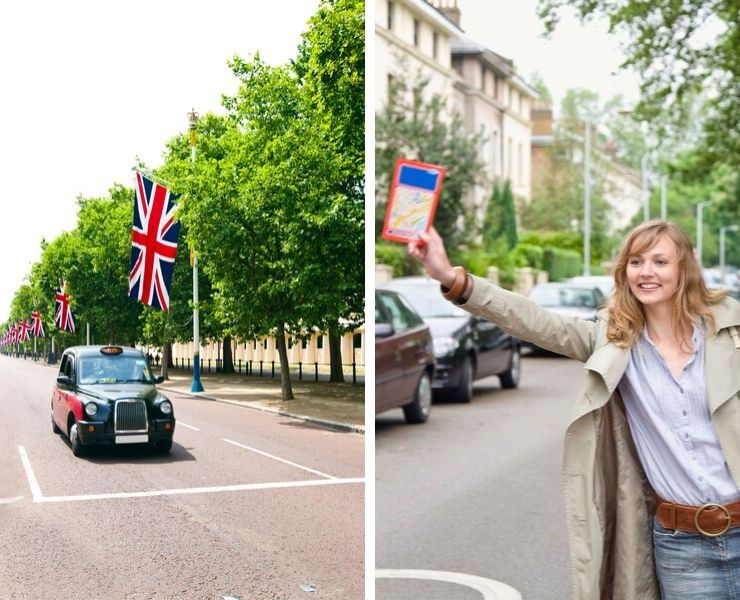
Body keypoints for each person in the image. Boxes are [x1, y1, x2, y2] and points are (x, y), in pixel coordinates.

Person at [409, 220, 740, 599]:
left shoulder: (729, 333)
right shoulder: (612, 340)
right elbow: (535, 321)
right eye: (636, 261)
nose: (646, 272)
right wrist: (451, 277)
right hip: (683, 549)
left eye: (660, 261)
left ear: (684, 268)